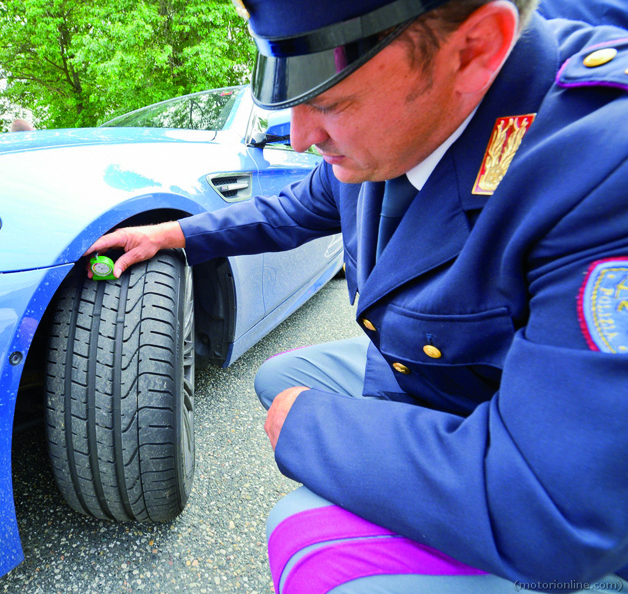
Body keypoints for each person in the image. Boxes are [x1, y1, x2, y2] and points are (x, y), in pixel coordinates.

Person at [87, 0, 628, 592]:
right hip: (457, 384)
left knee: (305, 538)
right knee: (280, 377)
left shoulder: (601, 166)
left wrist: (308, 429)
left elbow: (551, 512)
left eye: (331, 102)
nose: (299, 137)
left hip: (572, 502)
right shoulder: (413, 114)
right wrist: (176, 233)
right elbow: (294, 209)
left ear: (473, 50)